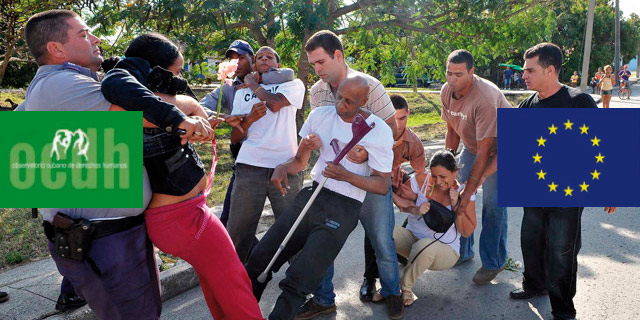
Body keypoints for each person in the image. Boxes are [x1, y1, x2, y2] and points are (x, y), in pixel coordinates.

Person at [100, 33, 264, 319]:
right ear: (152, 68)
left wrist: (204, 118)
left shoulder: (149, 102)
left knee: (217, 280)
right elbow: (166, 102)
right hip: (182, 218)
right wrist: (185, 114)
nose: (179, 78)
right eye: (176, 71)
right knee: (234, 280)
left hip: (183, 215)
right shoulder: (125, 93)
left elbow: (176, 108)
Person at [18, 10, 162, 319]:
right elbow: (155, 113)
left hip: (97, 239)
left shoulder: (50, 89)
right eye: (83, 34)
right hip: (107, 244)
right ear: (57, 49)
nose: (96, 39)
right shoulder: (62, 85)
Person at [245, 75, 394, 320]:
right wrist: (284, 166)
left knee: (299, 280)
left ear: (365, 101)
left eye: (349, 101)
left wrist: (346, 175)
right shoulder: (319, 116)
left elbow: (381, 185)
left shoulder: (379, 131)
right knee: (260, 260)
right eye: (339, 97)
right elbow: (298, 162)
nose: (340, 105)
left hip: (344, 208)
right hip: (312, 196)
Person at [303, 30, 403, 319]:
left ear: (338, 56)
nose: (317, 69)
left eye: (321, 62)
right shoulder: (317, 92)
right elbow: (323, 130)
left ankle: (392, 292)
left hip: (370, 181)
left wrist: (367, 152)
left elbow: (392, 131)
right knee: (324, 241)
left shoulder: (371, 86)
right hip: (334, 182)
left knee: (382, 240)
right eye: (312, 65)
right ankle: (323, 299)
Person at [513, 42, 617, 320]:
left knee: (561, 252)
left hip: (568, 195)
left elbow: (602, 144)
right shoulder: (527, 104)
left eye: (529, 70)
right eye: (524, 70)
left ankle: (563, 310)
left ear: (549, 70)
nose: (524, 75)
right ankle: (534, 286)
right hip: (535, 192)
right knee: (531, 242)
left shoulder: (577, 101)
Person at [226, 46, 305, 263]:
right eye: (259, 57)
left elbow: (276, 104)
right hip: (249, 166)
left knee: (292, 229)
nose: (264, 59)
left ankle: (299, 286)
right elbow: (235, 137)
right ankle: (236, 283)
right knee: (239, 231)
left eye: (269, 56)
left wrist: (253, 85)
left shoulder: (293, 84)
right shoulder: (241, 92)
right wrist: (249, 119)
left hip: (285, 166)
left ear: (278, 65)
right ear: (255, 65)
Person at [441, 49, 510, 285]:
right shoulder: (446, 90)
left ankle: (494, 262)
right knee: (458, 196)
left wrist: (472, 186)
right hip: (472, 148)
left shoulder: (485, 98)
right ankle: (463, 250)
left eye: (458, 74)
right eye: (449, 73)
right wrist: (448, 162)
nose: (452, 79)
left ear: (472, 72)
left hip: (502, 151)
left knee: (492, 205)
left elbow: (485, 151)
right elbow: (452, 127)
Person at [361, 94, 426, 303]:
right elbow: (375, 180)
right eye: (393, 119)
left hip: (393, 178)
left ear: (408, 115)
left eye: (402, 119)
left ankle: (403, 246)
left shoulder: (413, 142)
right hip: (369, 181)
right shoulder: (370, 136)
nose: (398, 125)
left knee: (421, 202)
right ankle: (369, 278)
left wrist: (417, 200)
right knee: (376, 226)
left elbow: (423, 177)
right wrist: (398, 200)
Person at [392, 150, 476, 307]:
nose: (438, 181)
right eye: (434, 176)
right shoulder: (422, 180)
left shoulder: (464, 193)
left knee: (424, 246)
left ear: (455, 173)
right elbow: (401, 201)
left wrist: (456, 205)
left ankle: (403, 288)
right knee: (383, 232)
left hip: (445, 252)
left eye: (443, 177)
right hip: (412, 239)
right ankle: (380, 280)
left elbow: (467, 231)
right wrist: (415, 208)